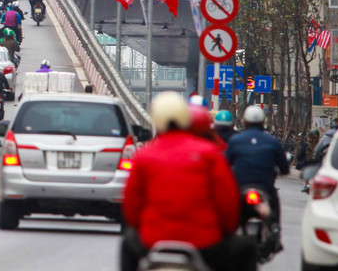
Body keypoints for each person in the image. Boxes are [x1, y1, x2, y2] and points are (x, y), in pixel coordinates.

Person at [121, 92, 257, 271]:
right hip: (205, 244)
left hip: (152, 241)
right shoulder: (209, 153)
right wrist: (226, 231)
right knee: (247, 248)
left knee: (127, 243)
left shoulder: (144, 155)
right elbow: (228, 203)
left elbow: (131, 207)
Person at [226, 105, 289, 229]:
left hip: (241, 187)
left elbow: (226, 164)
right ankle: (274, 228)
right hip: (265, 187)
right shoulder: (272, 141)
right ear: (263, 121)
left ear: (245, 121)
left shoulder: (235, 141)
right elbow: (284, 168)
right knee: (274, 205)